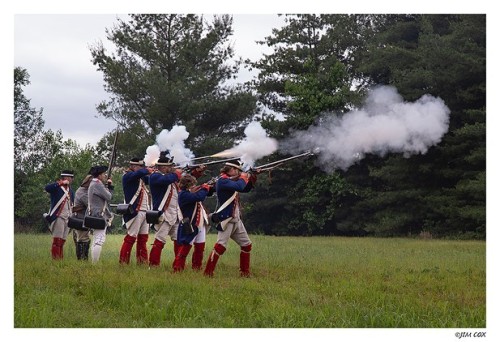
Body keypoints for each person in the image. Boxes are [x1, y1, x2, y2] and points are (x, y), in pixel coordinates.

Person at [204, 160, 259, 277]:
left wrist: (253, 177)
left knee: (246, 245)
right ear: (232, 170)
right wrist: (244, 176)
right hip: (226, 219)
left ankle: (245, 273)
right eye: (238, 170)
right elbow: (239, 186)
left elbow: (245, 189)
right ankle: (208, 273)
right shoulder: (222, 181)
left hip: (236, 218)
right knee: (220, 247)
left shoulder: (230, 181)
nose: (239, 173)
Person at [173, 174, 214, 272]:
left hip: (199, 224)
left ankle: (197, 268)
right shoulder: (183, 194)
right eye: (192, 185)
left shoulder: (190, 193)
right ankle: (178, 268)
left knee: (200, 248)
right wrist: (204, 188)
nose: (194, 186)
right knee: (185, 248)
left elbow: (202, 194)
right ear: (187, 186)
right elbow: (199, 197)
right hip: (191, 224)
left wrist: (208, 187)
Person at [148, 156, 183, 267]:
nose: (171, 168)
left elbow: (186, 182)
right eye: (169, 166)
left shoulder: (170, 178)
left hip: (175, 214)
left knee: (178, 240)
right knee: (160, 240)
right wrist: (177, 173)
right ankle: (154, 264)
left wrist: (197, 172)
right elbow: (166, 180)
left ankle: (178, 264)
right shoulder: (155, 176)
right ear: (163, 167)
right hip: (164, 214)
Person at [119, 158, 153, 265]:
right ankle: (123, 262)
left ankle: (142, 262)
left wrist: (156, 172)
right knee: (131, 238)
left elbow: (151, 180)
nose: (141, 169)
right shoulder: (127, 176)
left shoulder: (141, 177)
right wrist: (147, 170)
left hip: (144, 211)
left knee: (143, 239)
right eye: (140, 166)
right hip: (135, 211)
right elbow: (138, 174)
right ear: (133, 166)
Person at [44, 170, 75, 260]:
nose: (72, 180)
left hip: (67, 217)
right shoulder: (57, 187)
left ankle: (60, 259)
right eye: (70, 178)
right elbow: (47, 188)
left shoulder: (70, 190)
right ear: (65, 178)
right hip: (58, 216)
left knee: (62, 241)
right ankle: (56, 260)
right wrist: (60, 183)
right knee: (57, 240)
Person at [87, 165, 114, 263]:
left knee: (96, 239)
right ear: (99, 175)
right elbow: (109, 197)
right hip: (99, 215)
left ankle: (94, 263)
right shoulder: (97, 184)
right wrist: (110, 187)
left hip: (94, 213)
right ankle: (95, 263)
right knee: (99, 240)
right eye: (103, 174)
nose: (105, 175)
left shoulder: (94, 183)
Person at [72, 173, 93, 260]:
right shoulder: (82, 192)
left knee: (84, 239)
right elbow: (90, 204)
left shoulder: (85, 191)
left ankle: (83, 259)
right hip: (79, 218)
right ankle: (82, 260)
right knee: (82, 240)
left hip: (82, 218)